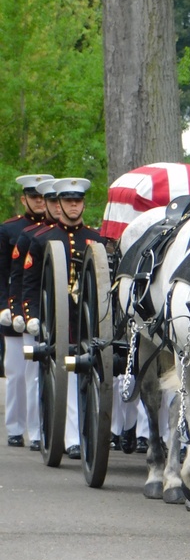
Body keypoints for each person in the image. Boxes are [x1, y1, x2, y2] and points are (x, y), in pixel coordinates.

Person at [21, 178, 105, 459]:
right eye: (67, 201)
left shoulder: (96, 240)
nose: (72, 205)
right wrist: (32, 315)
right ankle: (70, 438)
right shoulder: (42, 240)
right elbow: (30, 284)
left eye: (77, 201)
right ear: (59, 203)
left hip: (89, 319)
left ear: (82, 204)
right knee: (66, 373)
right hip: (58, 320)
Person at [6, 178, 62, 450]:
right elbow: (7, 275)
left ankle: (41, 428)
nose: (40, 202)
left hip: (50, 311)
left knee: (42, 374)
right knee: (17, 373)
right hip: (18, 311)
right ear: (24, 200)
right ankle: (16, 427)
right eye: (35, 197)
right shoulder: (11, 230)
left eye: (45, 198)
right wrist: (7, 307)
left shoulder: (53, 231)